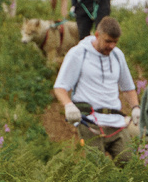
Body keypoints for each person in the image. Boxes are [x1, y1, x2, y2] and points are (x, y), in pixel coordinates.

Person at [52, 16, 140, 164]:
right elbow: (60, 87)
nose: (112, 46)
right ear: (97, 35)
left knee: (129, 162)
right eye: (108, 41)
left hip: (116, 122)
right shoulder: (79, 53)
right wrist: (68, 105)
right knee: (96, 166)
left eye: (115, 42)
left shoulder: (118, 55)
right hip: (90, 121)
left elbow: (128, 87)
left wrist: (136, 107)